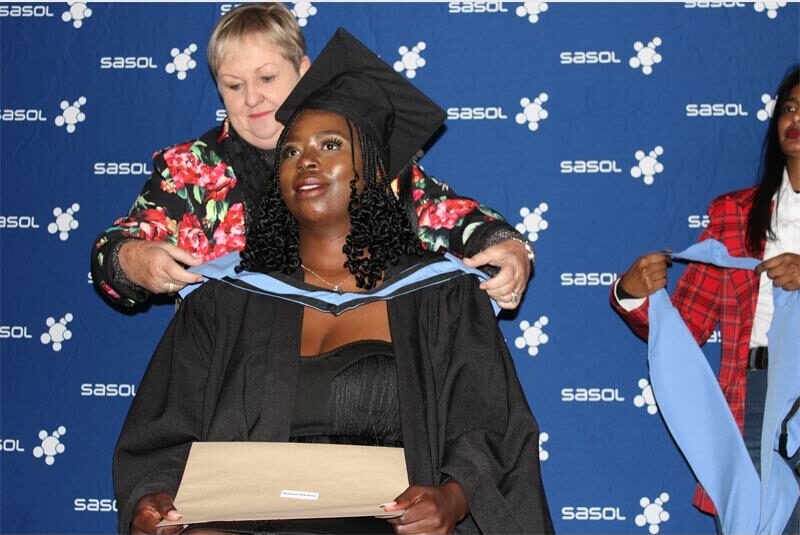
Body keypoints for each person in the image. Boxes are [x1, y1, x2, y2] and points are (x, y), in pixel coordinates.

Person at [113, 28, 552, 535]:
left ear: (374, 168)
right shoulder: (225, 299)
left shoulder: (440, 297)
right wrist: (154, 498)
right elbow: (163, 435)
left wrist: (453, 497)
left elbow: (489, 429)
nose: (308, 161)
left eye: (330, 144)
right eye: (292, 151)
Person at [91, 3, 533, 311]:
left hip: (360, 374)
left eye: (266, 77)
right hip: (231, 387)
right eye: (234, 84)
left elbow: (450, 217)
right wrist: (134, 261)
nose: (253, 99)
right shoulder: (187, 170)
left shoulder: (357, 151)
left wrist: (509, 249)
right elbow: (111, 256)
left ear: (304, 72)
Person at [611, 66, 800, 530]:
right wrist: (633, 294)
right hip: (756, 399)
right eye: (790, 108)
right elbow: (689, 324)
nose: (796, 119)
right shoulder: (733, 214)